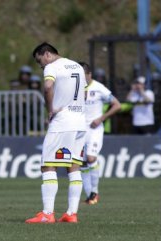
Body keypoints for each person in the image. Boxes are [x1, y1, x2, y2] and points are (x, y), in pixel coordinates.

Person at [25, 42, 86, 223]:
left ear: (46, 54)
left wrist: (50, 109)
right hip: (80, 122)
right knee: (74, 167)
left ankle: (47, 214)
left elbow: (48, 87)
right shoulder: (77, 66)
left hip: (63, 123)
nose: (41, 66)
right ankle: (71, 213)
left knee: (47, 165)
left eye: (40, 61)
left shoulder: (52, 66)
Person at [79, 62, 121, 205]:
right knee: (82, 163)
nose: (81, 78)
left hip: (94, 129)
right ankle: (89, 196)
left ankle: (95, 192)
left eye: (83, 75)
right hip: (79, 129)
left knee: (91, 158)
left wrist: (101, 118)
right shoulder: (75, 87)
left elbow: (117, 105)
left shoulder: (98, 88)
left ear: (89, 74)